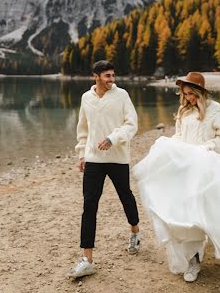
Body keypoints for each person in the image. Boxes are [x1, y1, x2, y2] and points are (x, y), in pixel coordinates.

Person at [133, 71, 220, 283]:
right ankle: (193, 260)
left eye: (192, 94)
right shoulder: (183, 111)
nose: (189, 98)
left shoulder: (215, 109)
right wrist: (170, 147)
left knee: (214, 210)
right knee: (187, 214)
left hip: (206, 167)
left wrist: (209, 146)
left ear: (201, 92)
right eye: (186, 94)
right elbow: (179, 136)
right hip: (185, 167)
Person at [70, 60, 140, 279]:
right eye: (107, 76)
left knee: (125, 196)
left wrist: (113, 138)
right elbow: (83, 128)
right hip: (93, 159)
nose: (112, 80)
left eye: (113, 75)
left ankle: (135, 233)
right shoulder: (86, 98)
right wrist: (82, 153)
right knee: (89, 206)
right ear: (96, 76)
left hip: (118, 157)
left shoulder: (122, 95)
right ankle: (87, 259)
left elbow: (132, 124)